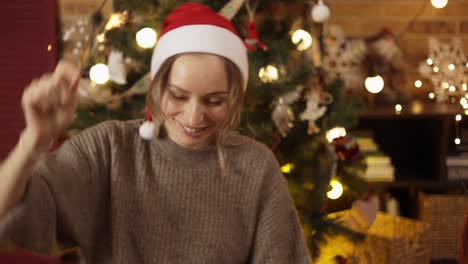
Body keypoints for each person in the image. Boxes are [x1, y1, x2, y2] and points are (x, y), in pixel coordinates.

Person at [0, 3, 312, 263]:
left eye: (214, 101)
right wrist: (34, 141)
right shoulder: (108, 149)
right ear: (153, 87)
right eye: (177, 95)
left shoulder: (255, 167)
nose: (193, 117)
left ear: (236, 98)